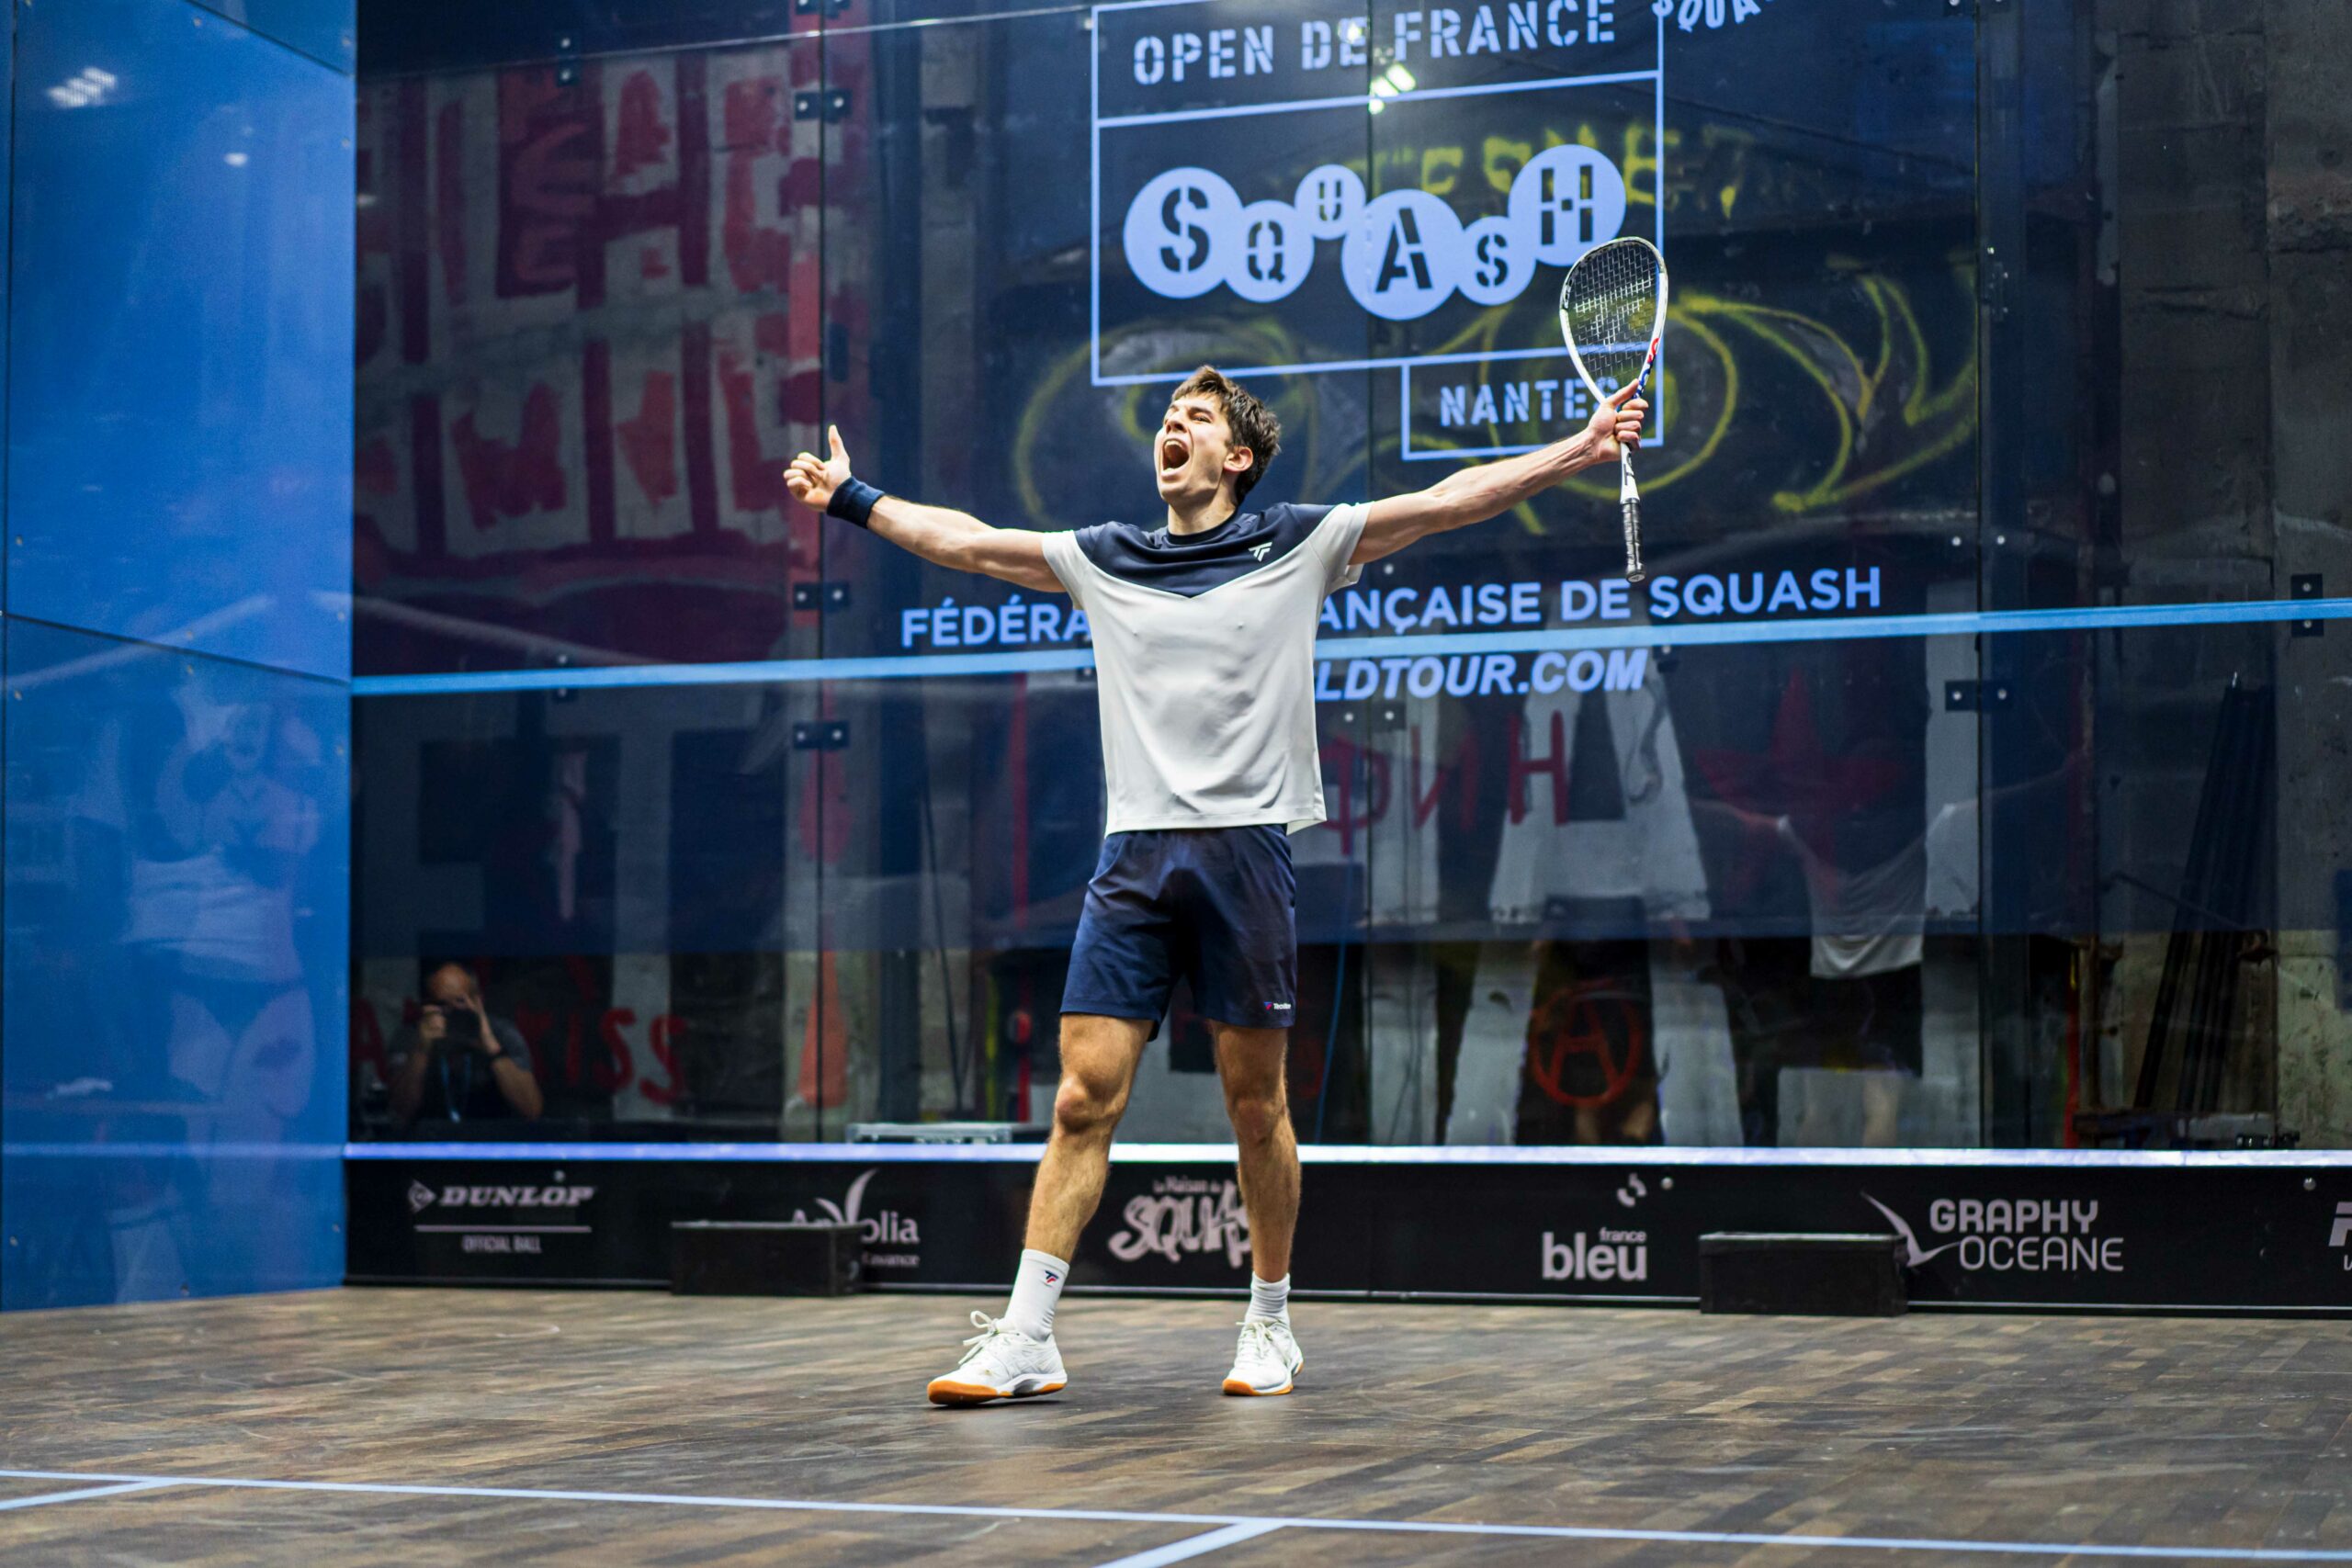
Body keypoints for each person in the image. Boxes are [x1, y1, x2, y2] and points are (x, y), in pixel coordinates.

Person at [784, 367, 1645, 1404]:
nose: (1171, 431)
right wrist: (854, 497)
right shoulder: (1106, 558)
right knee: (1078, 1100)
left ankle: (1269, 1323)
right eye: (1165, 420)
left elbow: (1443, 499)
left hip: (1246, 855)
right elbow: (967, 541)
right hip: (1133, 862)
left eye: (1194, 420)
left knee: (1255, 1106)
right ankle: (1026, 1337)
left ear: (1236, 457)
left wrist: (1579, 448)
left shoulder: (1299, 543)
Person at [386, 962, 544, 1128]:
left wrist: (490, 1045)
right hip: (429, 1145)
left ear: (478, 1001)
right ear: (428, 1006)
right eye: (442, 1005)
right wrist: (421, 1050)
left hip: (492, 1144)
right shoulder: (411, 1037)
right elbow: (399, 1112)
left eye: (460, 1001)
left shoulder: (502, 1034)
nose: (452, 1012)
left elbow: (532, 1111)